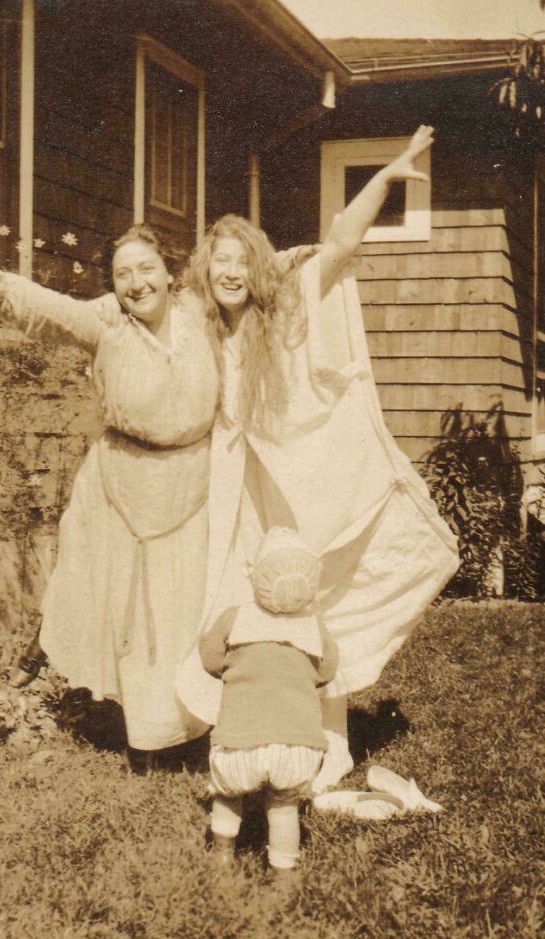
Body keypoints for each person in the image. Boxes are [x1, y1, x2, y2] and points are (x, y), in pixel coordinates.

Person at [176, 126, 460, 793]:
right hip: (245, 489)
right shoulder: (203, 323)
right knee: (248, 601)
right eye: (219, 260)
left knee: (320, 597)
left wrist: (385, 179)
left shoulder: (291, 303)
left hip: (310, 480)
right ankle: (252, 729)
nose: (230, 271)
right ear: (205, 268)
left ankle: (324, 739)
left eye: (241, 259)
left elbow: (339, 245)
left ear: (258, 265)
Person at [0, 225, 220, 767]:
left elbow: (255, 280)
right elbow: (45, 306)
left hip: (197, 484)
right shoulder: (106, 327)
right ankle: (149, 742)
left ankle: (196, 727)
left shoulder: (202, 318)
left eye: (146, 269)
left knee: (188, 610)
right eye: (123, 274)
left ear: (170, 273)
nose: (137, 283)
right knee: (135, 615)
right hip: (123, 489)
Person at [199, 527, 338, 877]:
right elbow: (327, 672)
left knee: (228, 796)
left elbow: (210, 659)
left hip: (239, 743)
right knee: (283, 806)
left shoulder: (235, 616)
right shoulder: (314, 624)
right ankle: (283, 877)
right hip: (297, 747)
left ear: (258, 576)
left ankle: (222, 855)